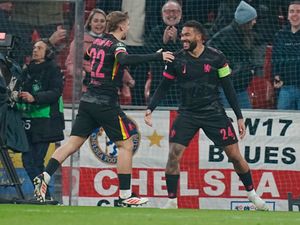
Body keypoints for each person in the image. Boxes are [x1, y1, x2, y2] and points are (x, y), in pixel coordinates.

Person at [33, 11, 174, 205]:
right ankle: (125, 195)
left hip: (88, 100)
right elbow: (123, 60)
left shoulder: (98, 42)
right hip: (105, 102)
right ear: (122, 26)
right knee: (126, 144)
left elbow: (88, 55)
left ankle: (45, 176)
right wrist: (156, 56)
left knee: (72, 144)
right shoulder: (117, 45)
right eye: (128, 25)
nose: (129, 28)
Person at [144, 20, 268, 210]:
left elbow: (229, 88)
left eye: (187, 35)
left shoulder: (217, 58)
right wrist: (150, 108)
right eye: (182, 35)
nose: (183, 38)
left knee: (235, 156)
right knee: (173, 155)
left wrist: (239, 116)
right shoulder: (176, 59)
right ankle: (171, 201)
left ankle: (252, 194)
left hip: (214, 113)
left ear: (200, 37)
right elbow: (163, 86)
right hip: (187, 114)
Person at [17, 40, 65, 200]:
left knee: (37, 161)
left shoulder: (53, 70)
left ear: (48, 52)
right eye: (34, 48)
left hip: (46, 121)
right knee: (27, 161)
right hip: (27, 120)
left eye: (39, 48)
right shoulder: (27, 70)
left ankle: (45, 195)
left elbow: (56, 92)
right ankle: (45, 195)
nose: (35, 50)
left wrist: (34, 98)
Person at [207, 0, 257, 109]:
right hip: (224, 88)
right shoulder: (225, 34)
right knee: (227, 117)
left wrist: (251, 69)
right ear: (246, 20)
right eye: (253, 19)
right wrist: (228, 66)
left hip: (241, 87)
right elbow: (209, 51)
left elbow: (249, 57)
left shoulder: (248, 34)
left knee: (246, 116)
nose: (255, 22)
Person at [145, 0, 183, 106]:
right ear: (162, 14)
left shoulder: (186, 30)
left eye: (175, 11)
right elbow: (149, 55)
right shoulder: (154, 32)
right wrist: (163, 43)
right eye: (168, 11)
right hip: (159, 86)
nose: (171, 14)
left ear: (180, 13)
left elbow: (190, 54)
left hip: (181, 89)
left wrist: (177, 41)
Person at [65, 8, 107, 93]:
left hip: (108, 82)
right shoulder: (79, 41)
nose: (99, 24)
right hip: (87, 82)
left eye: (102, 21)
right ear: (90, 23)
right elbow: (70, 63)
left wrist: (128, 79)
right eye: (96, 21)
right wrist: (80, 74)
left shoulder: (110, 41)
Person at [272, 1, 300, 110]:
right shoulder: (280, 35)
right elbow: (275, 58)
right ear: (287, 15)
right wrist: (276, 74)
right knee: (281, 119)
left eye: (298, 11)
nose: (295, 14)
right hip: (285, 88)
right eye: (291, 11)